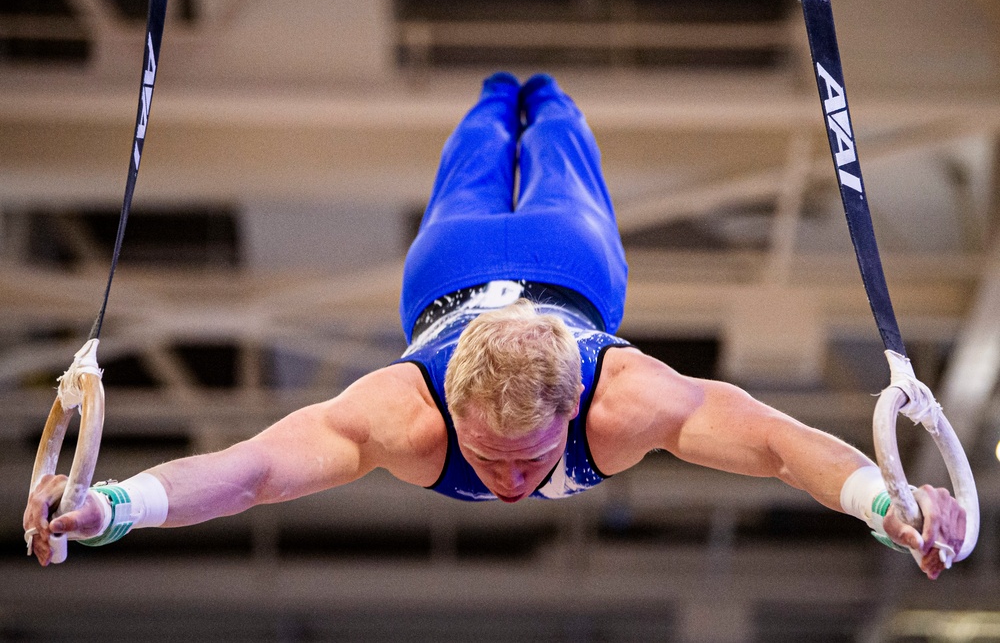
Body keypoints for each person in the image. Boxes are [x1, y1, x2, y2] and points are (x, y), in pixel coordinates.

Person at [24, 73, 964, 579]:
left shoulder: (628, 399)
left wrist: (887, 506)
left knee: (557, 141)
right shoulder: (406, 412)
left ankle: (542, 92)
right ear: (451, 408)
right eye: (493, 457)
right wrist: (116, 506)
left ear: (575, 410)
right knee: (483, 137)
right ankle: (506, 90)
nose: (510, 481)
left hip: (540, 263)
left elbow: (775, 445)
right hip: (487, 268)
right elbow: (251, 474)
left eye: (525, 460)